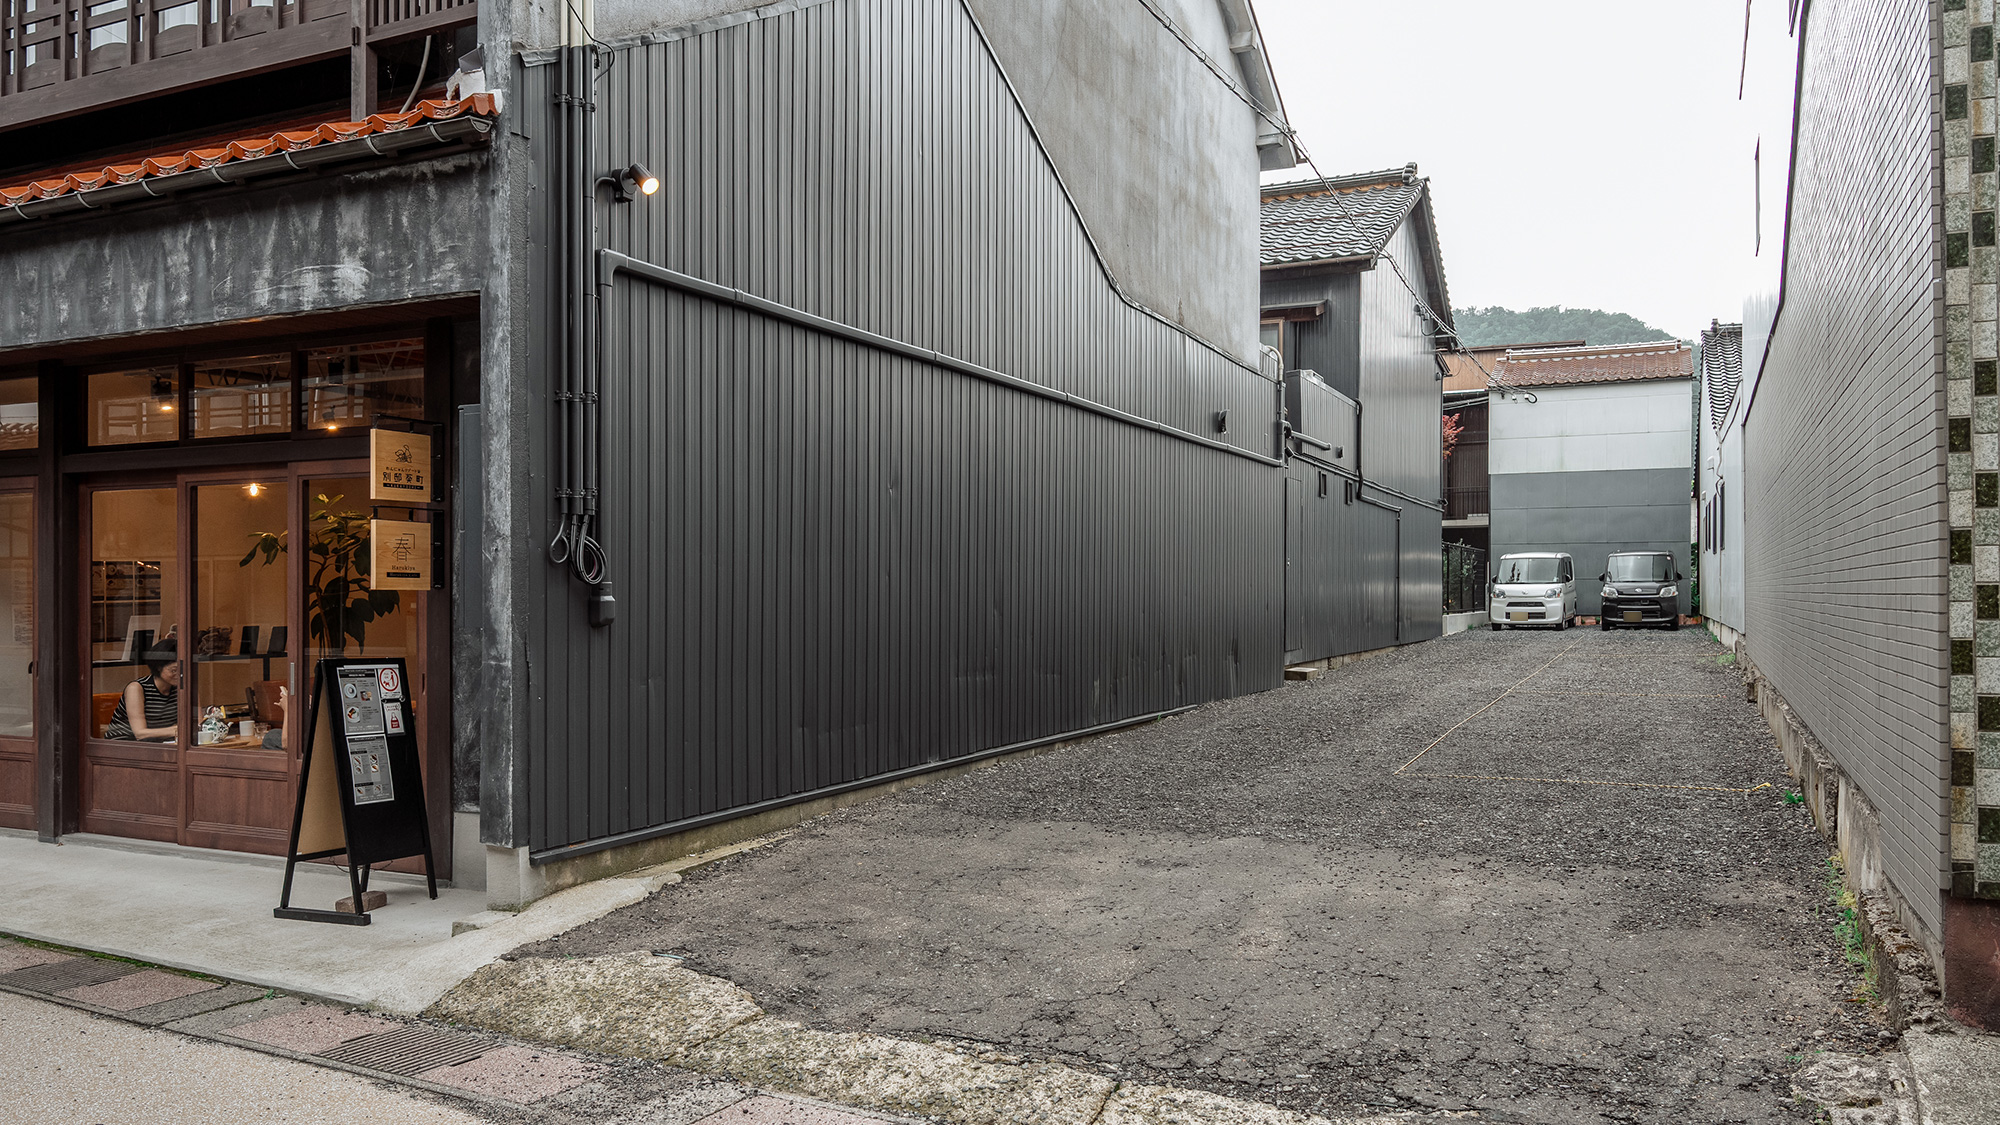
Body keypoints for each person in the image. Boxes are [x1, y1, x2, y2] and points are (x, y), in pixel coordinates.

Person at [105, 637, 178, 742]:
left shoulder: (182, 687)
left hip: (159, 744)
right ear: (158, 667)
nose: (179, 674)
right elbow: (140, 733)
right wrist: (176, 730)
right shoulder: (137, 688)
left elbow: (197, 723)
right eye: (174, 670)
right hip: (125, 745)